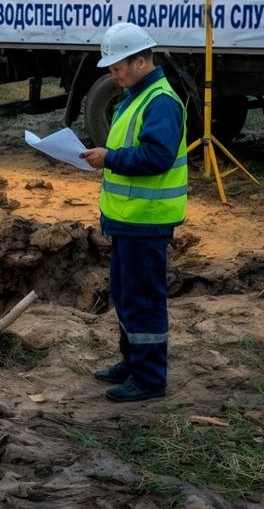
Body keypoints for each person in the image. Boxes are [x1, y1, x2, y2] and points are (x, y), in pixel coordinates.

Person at [81, 23, 187, 403]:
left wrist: (109, 158)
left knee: (143, 300)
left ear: (141, 60)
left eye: (117, 67)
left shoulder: (160, 101)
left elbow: (156, 157)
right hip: (128, 219)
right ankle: (132, 362)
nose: (113, 74)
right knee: (126, 296)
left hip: (147, 220)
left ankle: (149, 379)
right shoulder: (135, 95)